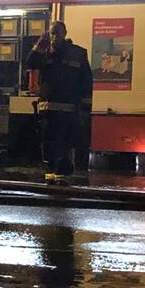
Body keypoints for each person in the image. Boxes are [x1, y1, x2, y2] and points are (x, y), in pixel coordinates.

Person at [25, 21, 93, 183]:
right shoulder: (45, 52)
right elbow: (30, 63)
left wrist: (85, 107)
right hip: (48, 108)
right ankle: (51, 175)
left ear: (65, 33)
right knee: (48, 142)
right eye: (52, 33)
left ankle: (62, 174)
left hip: (69, 108)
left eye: (57, 32)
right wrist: (39, 46)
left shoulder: (78, 53)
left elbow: (86, 81)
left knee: (65, 142)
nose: (55, 36)